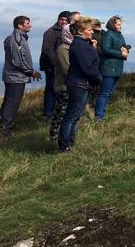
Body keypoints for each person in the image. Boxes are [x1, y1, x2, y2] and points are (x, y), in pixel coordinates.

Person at [58, 17, 102, 152]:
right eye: (89, 30)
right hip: (79, 84)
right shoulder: (79, 45)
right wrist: (98, 79)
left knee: (76, 117)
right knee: (71, 117)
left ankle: (70, 144)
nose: (91, 32)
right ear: (81, 31)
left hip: (82, 83)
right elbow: (87, 67)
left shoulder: (83, 44)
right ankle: (64, 146)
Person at [0, 16, 42, 136]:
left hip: (13, 76)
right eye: (27, 23)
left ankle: (0, 126)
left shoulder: (19, 38)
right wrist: (31, 72)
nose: (30, 25)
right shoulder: (16, 39)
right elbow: (18, 61)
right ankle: (5, 131)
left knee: (9, 101)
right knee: (12, 103)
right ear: (20, 26)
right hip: (15, 77)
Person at [95, 16, 129, 121]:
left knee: (109, 92)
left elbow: (122, 47)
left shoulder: (119, 35)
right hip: (108, 67)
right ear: (113, 25)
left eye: (120, 24)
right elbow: (106, 49)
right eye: (118, 24)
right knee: (105, 92)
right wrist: (121, 53)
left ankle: (103, 112)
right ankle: (99, 116)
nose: (120, 26)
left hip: (117, 67)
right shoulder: (108, 35)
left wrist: (126, 49)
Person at [39, 11, 69, 118]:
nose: (63, 22)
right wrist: (57, 64)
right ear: (58, 19)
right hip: (51, 67)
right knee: (51, 90)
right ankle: (48, 114)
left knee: (59, 90)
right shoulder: (51, 32)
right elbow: (47, 50)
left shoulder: (66, 32)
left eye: (66, 20)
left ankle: (55, 112)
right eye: (61, 19)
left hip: (60, 66)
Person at [50, 33, 71, 140]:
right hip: (63, 85)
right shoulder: (63, 49)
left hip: (69, 85)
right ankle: (54, 136)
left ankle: (63, 136)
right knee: (61, 113)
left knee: (66, 113)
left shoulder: (70, 47)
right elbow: (66, 69)